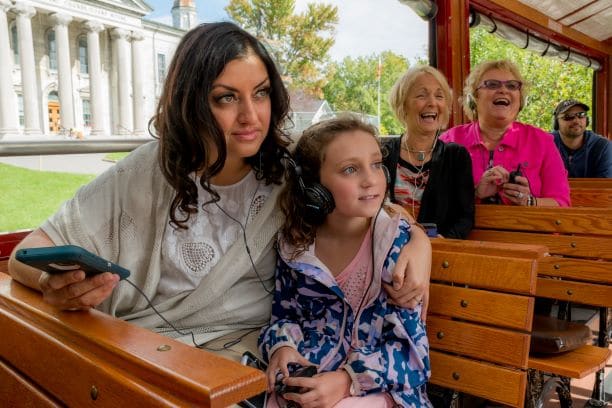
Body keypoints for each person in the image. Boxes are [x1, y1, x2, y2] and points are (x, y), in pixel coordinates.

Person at [8, 22, 431, 357]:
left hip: (237, 359)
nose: (251, 116)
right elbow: (26, 253)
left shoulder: (290, 175)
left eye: (261, 93)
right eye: (226, 98)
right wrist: (53, 284)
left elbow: (378, 208)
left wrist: (420, 246)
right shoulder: (145, 169)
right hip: (135, 351)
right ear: (191, 102)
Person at [259, 116, 432, 408]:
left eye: (376, 164)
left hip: (384, 391)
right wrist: (283, 345)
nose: (371, 179)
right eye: (350, 169)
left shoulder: (395, 248)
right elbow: (284, 317)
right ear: (313, 187)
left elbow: (412, 354)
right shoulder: (296, 247)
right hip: (313, 383)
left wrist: (347, 380)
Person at [440, 60, 571, 207]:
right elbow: (434, 202)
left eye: (512, 86)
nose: (503, 90)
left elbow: (561, 204)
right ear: (474, 97)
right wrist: (475, 194)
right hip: (463, 231)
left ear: (520, 100)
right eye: (492, 84)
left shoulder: (542, 141)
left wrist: (529, 202)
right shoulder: (449, 141)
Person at [383, 65, 474, 239]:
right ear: (403, 105)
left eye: (439, 96)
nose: (432, 102)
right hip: (385, 251)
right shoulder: (382, 154)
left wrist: (443, 241)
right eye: (421, 95)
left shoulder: (456, 157)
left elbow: (465, 218)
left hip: (439, 253)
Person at [551, 99, 612, 178]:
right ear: (556, 122)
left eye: (581, 115)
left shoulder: (603, 147)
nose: (576, 121)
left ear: (587, 120)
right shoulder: (545, 144)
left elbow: (604, 187)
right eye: (568, 117)